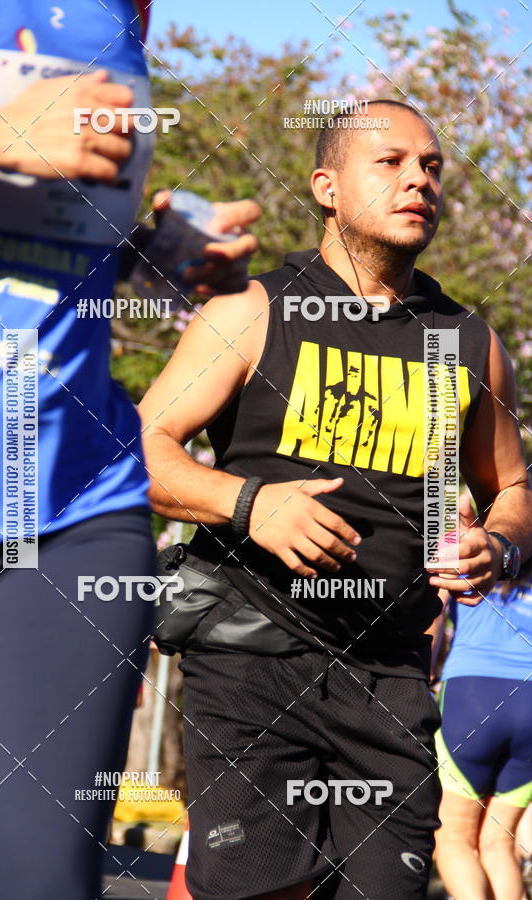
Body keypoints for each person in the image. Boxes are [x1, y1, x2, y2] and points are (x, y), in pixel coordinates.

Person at [139, 99, 532, 899]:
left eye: (431, 167)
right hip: (250, 657)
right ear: (326, 184)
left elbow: (514, 487)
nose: (418, 180)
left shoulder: (467, 342)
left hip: (391, 678)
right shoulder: (251, 313)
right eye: (389, 162)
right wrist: (252, 503)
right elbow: (137, 453)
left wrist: (503, 543)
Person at [0, 2, 259, 897]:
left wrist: (153, 250)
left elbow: (11, 235)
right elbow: (2, 147)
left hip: (75, 500)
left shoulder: (123, 17)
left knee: (45, 880)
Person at [433, 558, 532, 900]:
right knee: (498, 842)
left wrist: (425, 673)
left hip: (471, 692)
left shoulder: (473, 553)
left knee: (452, 837)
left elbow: (435, 608)